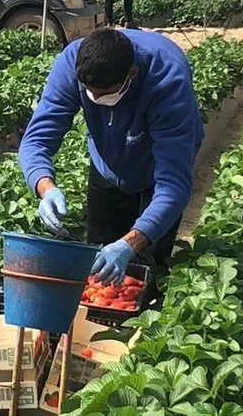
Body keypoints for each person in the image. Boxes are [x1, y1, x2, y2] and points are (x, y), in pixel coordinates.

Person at [18, 28, 203, 300]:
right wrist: (45, 188)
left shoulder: (167, 80)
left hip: (156, 169)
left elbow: (173, 186)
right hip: (108, 162)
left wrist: (130, 244)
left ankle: (145, 312)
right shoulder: (72, 64)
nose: (97, 100)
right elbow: (36, 139)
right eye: (90, 93)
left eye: (106, 94)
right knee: (98, 262)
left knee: (150, 266)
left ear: (132, 74)